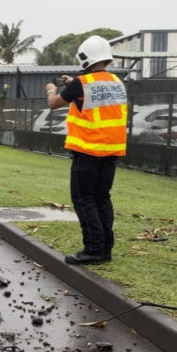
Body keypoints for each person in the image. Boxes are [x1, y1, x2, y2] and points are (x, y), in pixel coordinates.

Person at [44, 35, 127, 265]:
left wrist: (52, 89)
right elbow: (94, 96)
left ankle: (93, 249)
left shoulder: (82, 84)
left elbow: (54, 103)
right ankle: (105, 249)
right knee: (102, 198)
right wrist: (74, 82)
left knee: (83, 199)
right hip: (112, 151)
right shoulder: (117, 82)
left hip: (88, 150)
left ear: (84, 58)